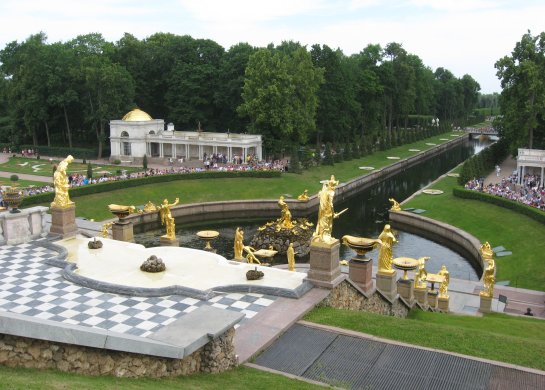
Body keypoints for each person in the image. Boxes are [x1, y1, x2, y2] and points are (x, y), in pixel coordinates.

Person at [312, 175, 342, 244]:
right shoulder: (331, 192)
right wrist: (334, 213)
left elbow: (319, 196)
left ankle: (323, 236)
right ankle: (325, 237)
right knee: (328, 225)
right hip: (328, 212)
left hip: (323, 211)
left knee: (323, 222)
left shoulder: (324, 191)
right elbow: (331, 204)